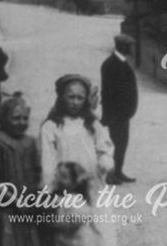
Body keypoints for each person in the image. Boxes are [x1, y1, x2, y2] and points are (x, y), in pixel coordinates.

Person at [0, 93, 43, 246]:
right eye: (15, 118)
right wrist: (14, 200)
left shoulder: (31, 143)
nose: (21, 123)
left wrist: (37, 198)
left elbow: (39, 173)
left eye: (25, 118)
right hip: (6, 213)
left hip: (29, 210)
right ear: (3, 119)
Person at [40, 74, 114, 191]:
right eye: (71, 97)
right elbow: (48, 161)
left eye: (80, 98)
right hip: (65, 185)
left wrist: (104, 162)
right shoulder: (51, 126)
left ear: (85, 100)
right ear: (62, 97)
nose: (75, 102)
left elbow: (105, 148)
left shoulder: (92, 124)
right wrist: (49, 187)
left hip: (91, 182)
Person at [100, 34, 139, 185]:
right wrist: (110, 115)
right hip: (116, 115)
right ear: (122, 46)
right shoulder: (111, 64)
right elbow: (108, 93)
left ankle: (118, 171)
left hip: (123, 114)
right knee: (115, 144)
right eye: (129, 45)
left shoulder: (121, 62)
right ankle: (112, 174)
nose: (132, 48)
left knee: (122, 144)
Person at [48, 161, 115, 246]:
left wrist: (56, 224)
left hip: (78, 241)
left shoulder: (77, 202)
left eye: (64, 176)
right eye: (57, 175)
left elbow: (74, 221)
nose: (58, 179)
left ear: (74, 183)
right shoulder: (55, 196)